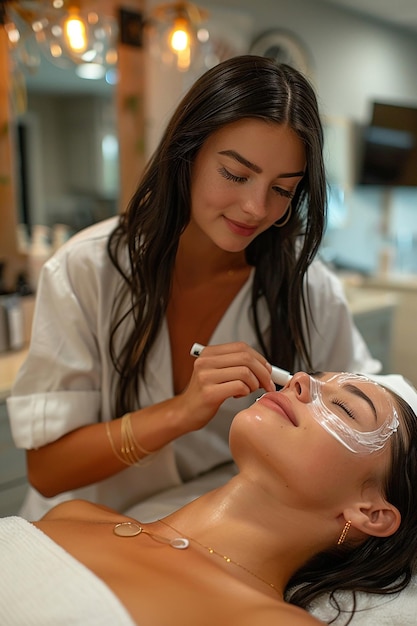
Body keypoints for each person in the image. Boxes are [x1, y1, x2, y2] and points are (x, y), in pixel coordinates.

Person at [7, 55, 379, 521]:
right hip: (76, 533)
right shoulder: (86, 270)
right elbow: (46, 470)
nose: (255, 207)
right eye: (236, 175)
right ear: (188, 153)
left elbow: (372, 409)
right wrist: (182, 412)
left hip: (196, 533)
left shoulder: (308, 290)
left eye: (283, 189)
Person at [2, 370, 417, 626]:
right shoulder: (75, 513)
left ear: (372, 514)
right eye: (312, 377)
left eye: (344, 408)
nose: (300, 380)